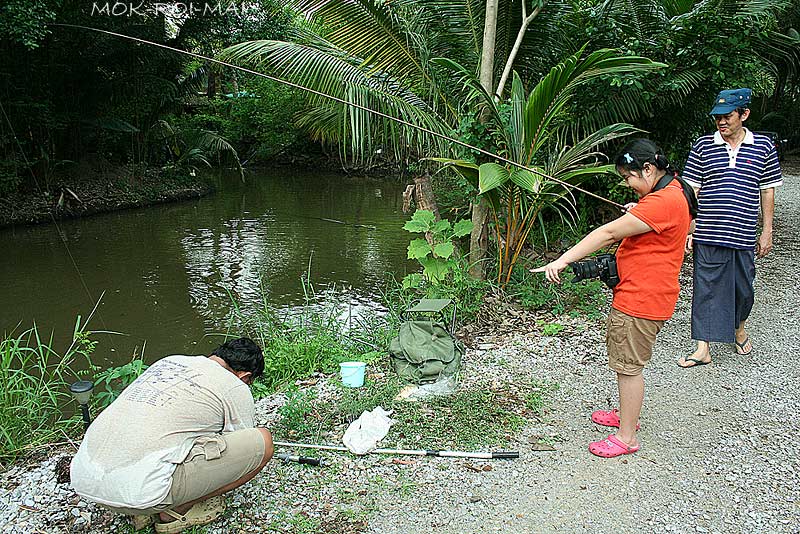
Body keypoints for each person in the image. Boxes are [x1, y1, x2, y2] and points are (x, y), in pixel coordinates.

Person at [533, 139, 694, 458]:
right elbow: (668, 223)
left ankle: (627, 436)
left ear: (648, 169)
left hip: (641, 299)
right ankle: (627, 416)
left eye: (629, 177)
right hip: (649, 293)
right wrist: (641, 210)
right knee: (627, 362)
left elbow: (607, 233)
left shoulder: (662, 202)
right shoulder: (673, 189)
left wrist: (562, 259)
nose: (627, 184)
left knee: (628, 366)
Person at [70, 337, 273, 533]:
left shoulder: (170, 361)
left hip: (85, 479)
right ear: (245, 376)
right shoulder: (234, 384)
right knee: (263, 442)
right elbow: (239, 437)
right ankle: (177, 509)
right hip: (142, 495)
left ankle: (138, 505)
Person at [678, 88, 783, 368]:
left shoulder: (763, 147)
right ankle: (702, 347)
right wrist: (689, 228)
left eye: (727, 117)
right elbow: (691, 190)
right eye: (717, 118)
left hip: (743, 232)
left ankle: (738, 327)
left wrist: (767, 230)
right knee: (705, 288)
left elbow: (767, 190)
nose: (721, 123)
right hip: (708, 232)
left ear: (744, 114)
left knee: (743, 289)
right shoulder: (703, 145)